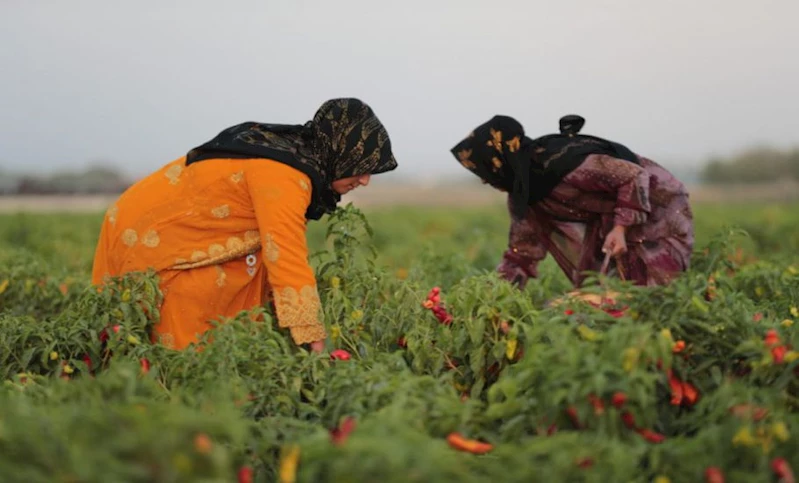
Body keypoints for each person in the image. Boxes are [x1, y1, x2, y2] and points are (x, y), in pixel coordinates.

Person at [92, 98, 398, 352]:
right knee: (188, 349)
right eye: (360, 168)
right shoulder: (285, 176)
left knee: (241, 308)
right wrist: (313, 340)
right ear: (338, 153)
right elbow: (286, 256)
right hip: (151, 236)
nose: (365, 180)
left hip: (169, 232)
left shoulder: (292, 159)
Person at [450, 114, 693, 289]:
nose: (485, 181)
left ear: (500, 162)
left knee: (651, 289)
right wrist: (495, 297)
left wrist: (621, 228)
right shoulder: (524, 196)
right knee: (599, 287)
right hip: (610, 218)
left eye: (485, 172)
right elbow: (521, 253)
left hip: (655, 204)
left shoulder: (564, 164)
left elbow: (634, 176)